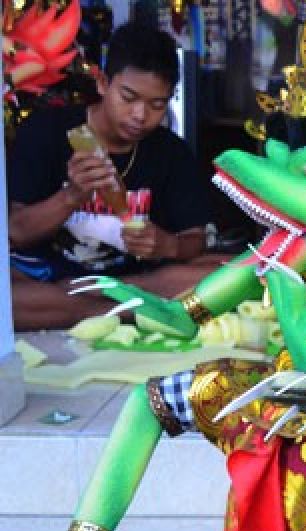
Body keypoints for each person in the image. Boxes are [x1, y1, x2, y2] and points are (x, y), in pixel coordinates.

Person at [7, 21, 213, 331]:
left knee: (224, 272)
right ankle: (131, 311)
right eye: (128, 98)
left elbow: (194, 240)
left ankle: (90, 305)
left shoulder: (172, 152)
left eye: (157, 105)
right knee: (8, 295)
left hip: (135, 279)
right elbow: (15, 232)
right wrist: (71, 197)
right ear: (103, 83)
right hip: (49, 277)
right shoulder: (46, 131)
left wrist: (166, 245)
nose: (140, 116)